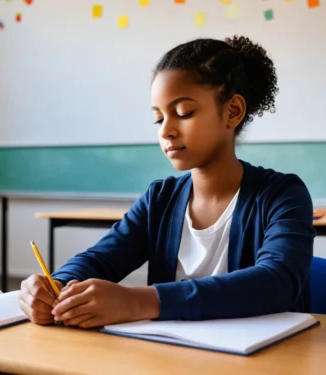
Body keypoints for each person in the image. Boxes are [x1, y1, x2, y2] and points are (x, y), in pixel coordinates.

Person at [19, 35, 315, 328]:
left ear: (232, 111)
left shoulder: (282, 195)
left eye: (184, 113)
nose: (167, 131)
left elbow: (277, 282)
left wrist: (136, 302)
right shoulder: (160, 198)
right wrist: (55, 286)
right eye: (159, 119)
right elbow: (101, 258)